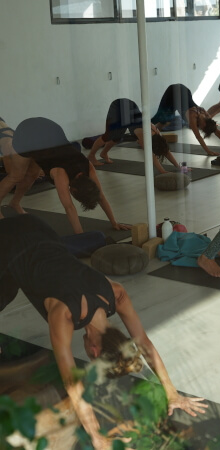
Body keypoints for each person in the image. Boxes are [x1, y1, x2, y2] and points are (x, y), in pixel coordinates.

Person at [0, 214, 208, 449]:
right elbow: (72, 384)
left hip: (39, 227)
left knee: (5, 291)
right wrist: (97, 436)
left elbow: (143, 343)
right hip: (8, 241)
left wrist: (172, 393)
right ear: (96, 351)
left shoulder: (115, 293)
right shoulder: (64, 315)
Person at [3, 117, 130, 234]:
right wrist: (81, 235)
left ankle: (15, 203)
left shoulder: (88, 166)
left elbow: (100, 195)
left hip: (46, 133)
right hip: (28, 132)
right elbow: (69, 207)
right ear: (73, 190)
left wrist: (114, 222)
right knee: (17, 176)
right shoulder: (60, 174)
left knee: (32, 175)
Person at [88, 98, 181, 174]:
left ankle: (103, 153)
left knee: (117, 137)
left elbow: (166, 151)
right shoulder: (144, 137)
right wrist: (162, 171)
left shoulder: (157, 134)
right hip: (118, 107)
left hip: (129, 107)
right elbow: (150, 156)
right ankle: (91, 156)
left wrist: (179, 167)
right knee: (108, 135)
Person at [152, 83, 220, 156]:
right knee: (161, 119)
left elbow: (217, 131)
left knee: (166, 121)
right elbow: (198, 136)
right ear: (205, 123)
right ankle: (145, 130)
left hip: (183, 92)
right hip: (173, 92)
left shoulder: (206, 116)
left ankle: (150, 133)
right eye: (202, 128)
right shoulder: (192, 116)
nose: (200, 128)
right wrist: (208, 151)